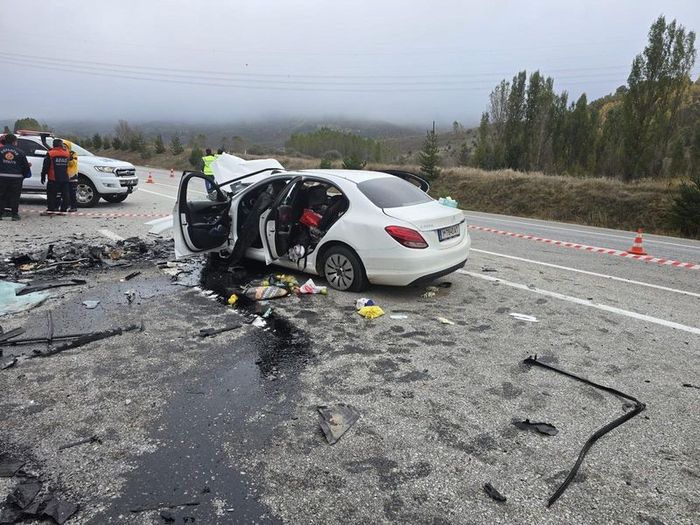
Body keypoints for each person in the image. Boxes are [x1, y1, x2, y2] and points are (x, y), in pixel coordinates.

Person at [0, 134, 31, 220]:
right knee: (15, 196)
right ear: (14, 142)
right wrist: (24, 175)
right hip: (16, 178)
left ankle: (0, 214)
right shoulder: (20, 152)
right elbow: (25, 166)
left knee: (1, 195)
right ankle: (14, 215)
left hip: (1, 177)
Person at [41, 138, 70, 213]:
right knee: (65, 194)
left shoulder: (50, 153)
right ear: (61, 145)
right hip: (65, 178)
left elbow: (46, 166)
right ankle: (64, 209)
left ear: (54, 145)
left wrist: (43, 175)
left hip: (53, 178)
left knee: (51, 195)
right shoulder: (67, 153)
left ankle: (51, 209)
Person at [63, 140, 79, 212]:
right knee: (65, 193)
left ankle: (74, 207)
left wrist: (69, 157)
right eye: (62, 146)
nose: (64, 147)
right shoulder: (62, 153)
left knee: (72, 193)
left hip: (72, 176)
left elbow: (72, 164)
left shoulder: (73, 154)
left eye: (65, 146)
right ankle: (65, 206)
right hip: (64, 176)